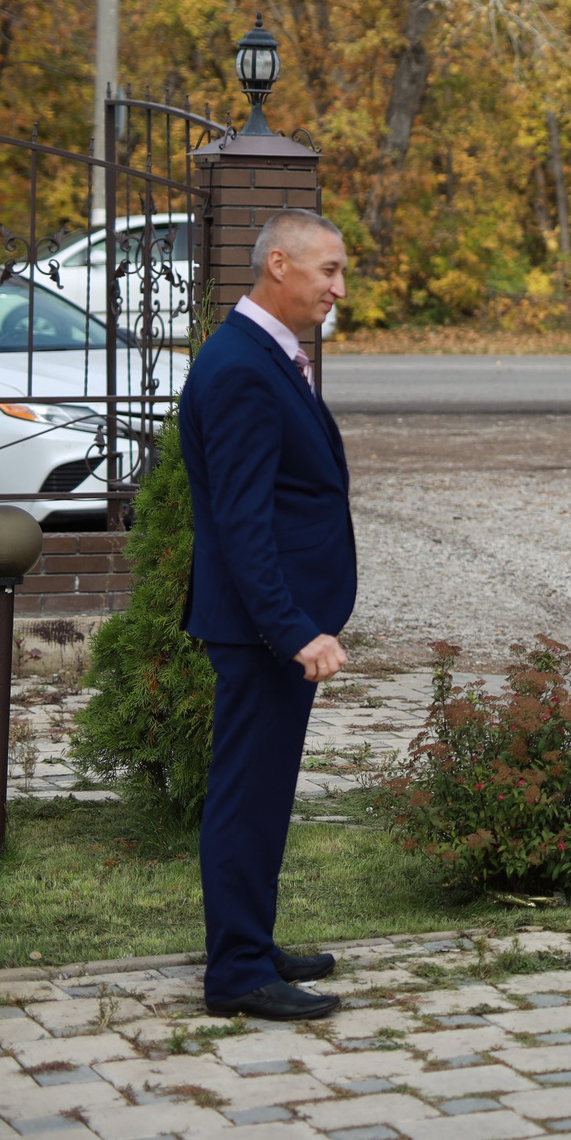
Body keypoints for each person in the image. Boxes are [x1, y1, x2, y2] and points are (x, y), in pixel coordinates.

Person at [178, 209, 355, 1020]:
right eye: (328, 271)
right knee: (248, 793)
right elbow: (244, 525)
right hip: (262, 630)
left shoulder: (262, 353)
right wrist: (293, 631)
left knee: (261, 789)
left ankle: (251, 937)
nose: (337, 289)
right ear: (277, 264)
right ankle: (240, 971)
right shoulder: (244, 368)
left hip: (269, 626)